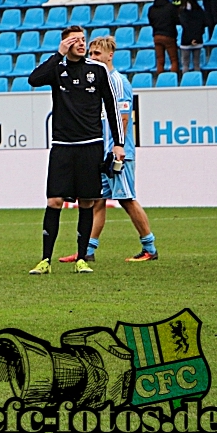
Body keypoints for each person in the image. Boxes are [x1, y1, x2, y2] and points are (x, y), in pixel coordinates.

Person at [27, 26, 125, 275]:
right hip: (62, 146)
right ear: (65, 44)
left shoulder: (97, 69)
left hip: (90, 145)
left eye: (83, 39)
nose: (82, 44)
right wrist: (57, 54)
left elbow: (113, 109)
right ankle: (45, 260)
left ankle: (82, 258)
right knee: (54, 200)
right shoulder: (57, 68)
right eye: (75, 40)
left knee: (87, 201)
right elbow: (34, 79)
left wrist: (118, 143)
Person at [58, 37, 156, 264]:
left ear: (110, 55)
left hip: (118, 153)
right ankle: (87, 252)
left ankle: (149, 247)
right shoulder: (99, 81)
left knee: (127, 199)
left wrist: (116, 147)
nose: (93, 57)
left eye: (97, 54)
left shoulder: (118, 82)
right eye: (91, 54)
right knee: (96, 200)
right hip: (100, 153)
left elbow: (122, 118)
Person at [149, 0, 180, 74]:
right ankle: (174, 77)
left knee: (160, 60)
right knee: (173, 59)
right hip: (169, 35)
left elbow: (151, 22)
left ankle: (160, 79)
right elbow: (176, 20)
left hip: (157, 35)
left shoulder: (152, 8)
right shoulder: (171, 7)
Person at [178, 0, 208, 73]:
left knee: (185, 63)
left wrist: (191, 40)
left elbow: (184, 25)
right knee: (196, 63)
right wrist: (195, 39)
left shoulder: (183, 13)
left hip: (186, 40)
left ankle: (185, 80)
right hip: (198, 39)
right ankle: (198, 80)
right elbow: (204, 23)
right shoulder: (199, 12)